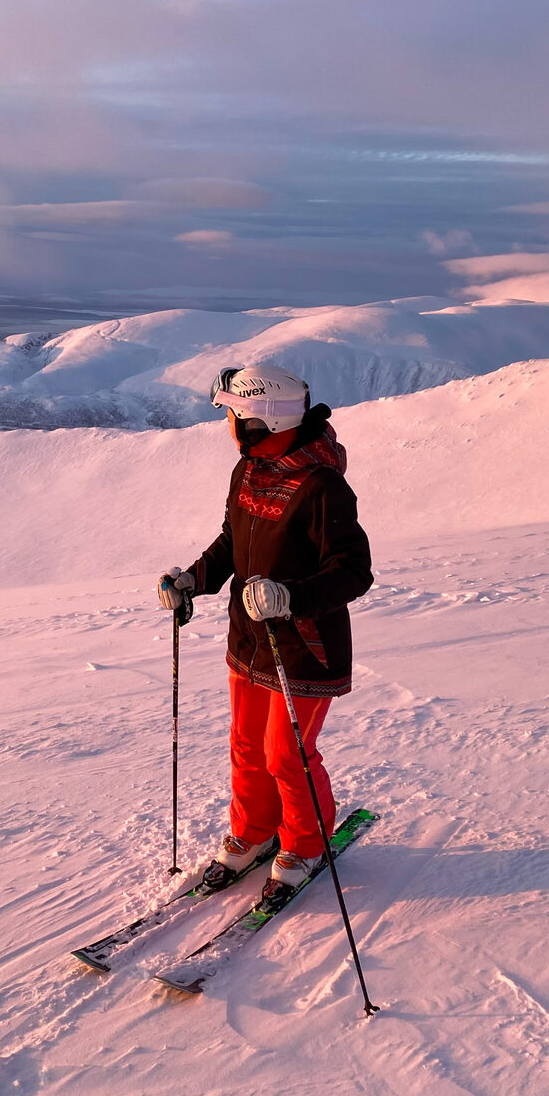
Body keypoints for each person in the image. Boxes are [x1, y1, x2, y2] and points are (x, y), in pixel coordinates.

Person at [158, 364, 374, 911]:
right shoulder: (249, 469)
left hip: (304, 646)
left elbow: (354, 571)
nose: (229, 424)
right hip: (249, 640)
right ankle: (255, 832)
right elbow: (234, 540)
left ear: (258, 420)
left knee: (286, 754)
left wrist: (290, 597)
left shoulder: (322, 485)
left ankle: (304, 844)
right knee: (247, 745)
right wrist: (193, 580)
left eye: (233, 414)